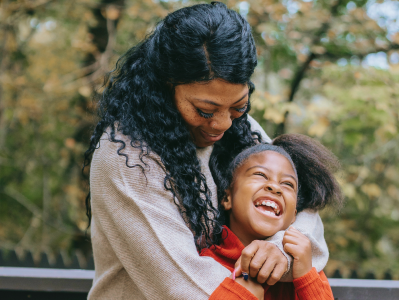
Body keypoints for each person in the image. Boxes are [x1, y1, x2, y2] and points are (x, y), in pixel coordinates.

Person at [84, 2, 330, 299]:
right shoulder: (127, 157)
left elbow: (306, 211)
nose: (223, 124)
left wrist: (279, 250)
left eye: (238, 106)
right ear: (164, 87)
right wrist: (267, 270)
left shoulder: (243, 128)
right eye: (204, 110)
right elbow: (183, 286)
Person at [201, 134, 343, 300]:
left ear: (293, 216)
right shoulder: (205, 262)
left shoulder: (303, 267)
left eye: (287, 184)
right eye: (260, 175)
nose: (275, 187)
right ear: (227, 198)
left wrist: (306, 276)